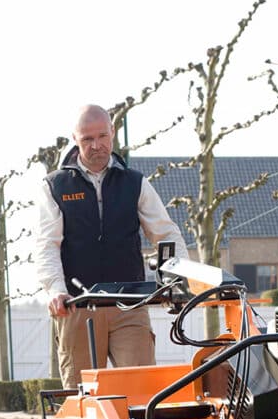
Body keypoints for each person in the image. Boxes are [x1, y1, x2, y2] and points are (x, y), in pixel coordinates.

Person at [35, 104, 188, 388]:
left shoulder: (135, 183)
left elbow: (166, 234)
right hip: (78, 307)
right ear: (75, 140)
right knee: (82, 397)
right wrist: (56, 289)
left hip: (129, 305)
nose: (96, 145)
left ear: (112, 133)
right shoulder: (55, 187)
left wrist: (178, 281)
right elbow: (47, 244)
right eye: (87, 139)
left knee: (142, 391)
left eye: (102, 136)